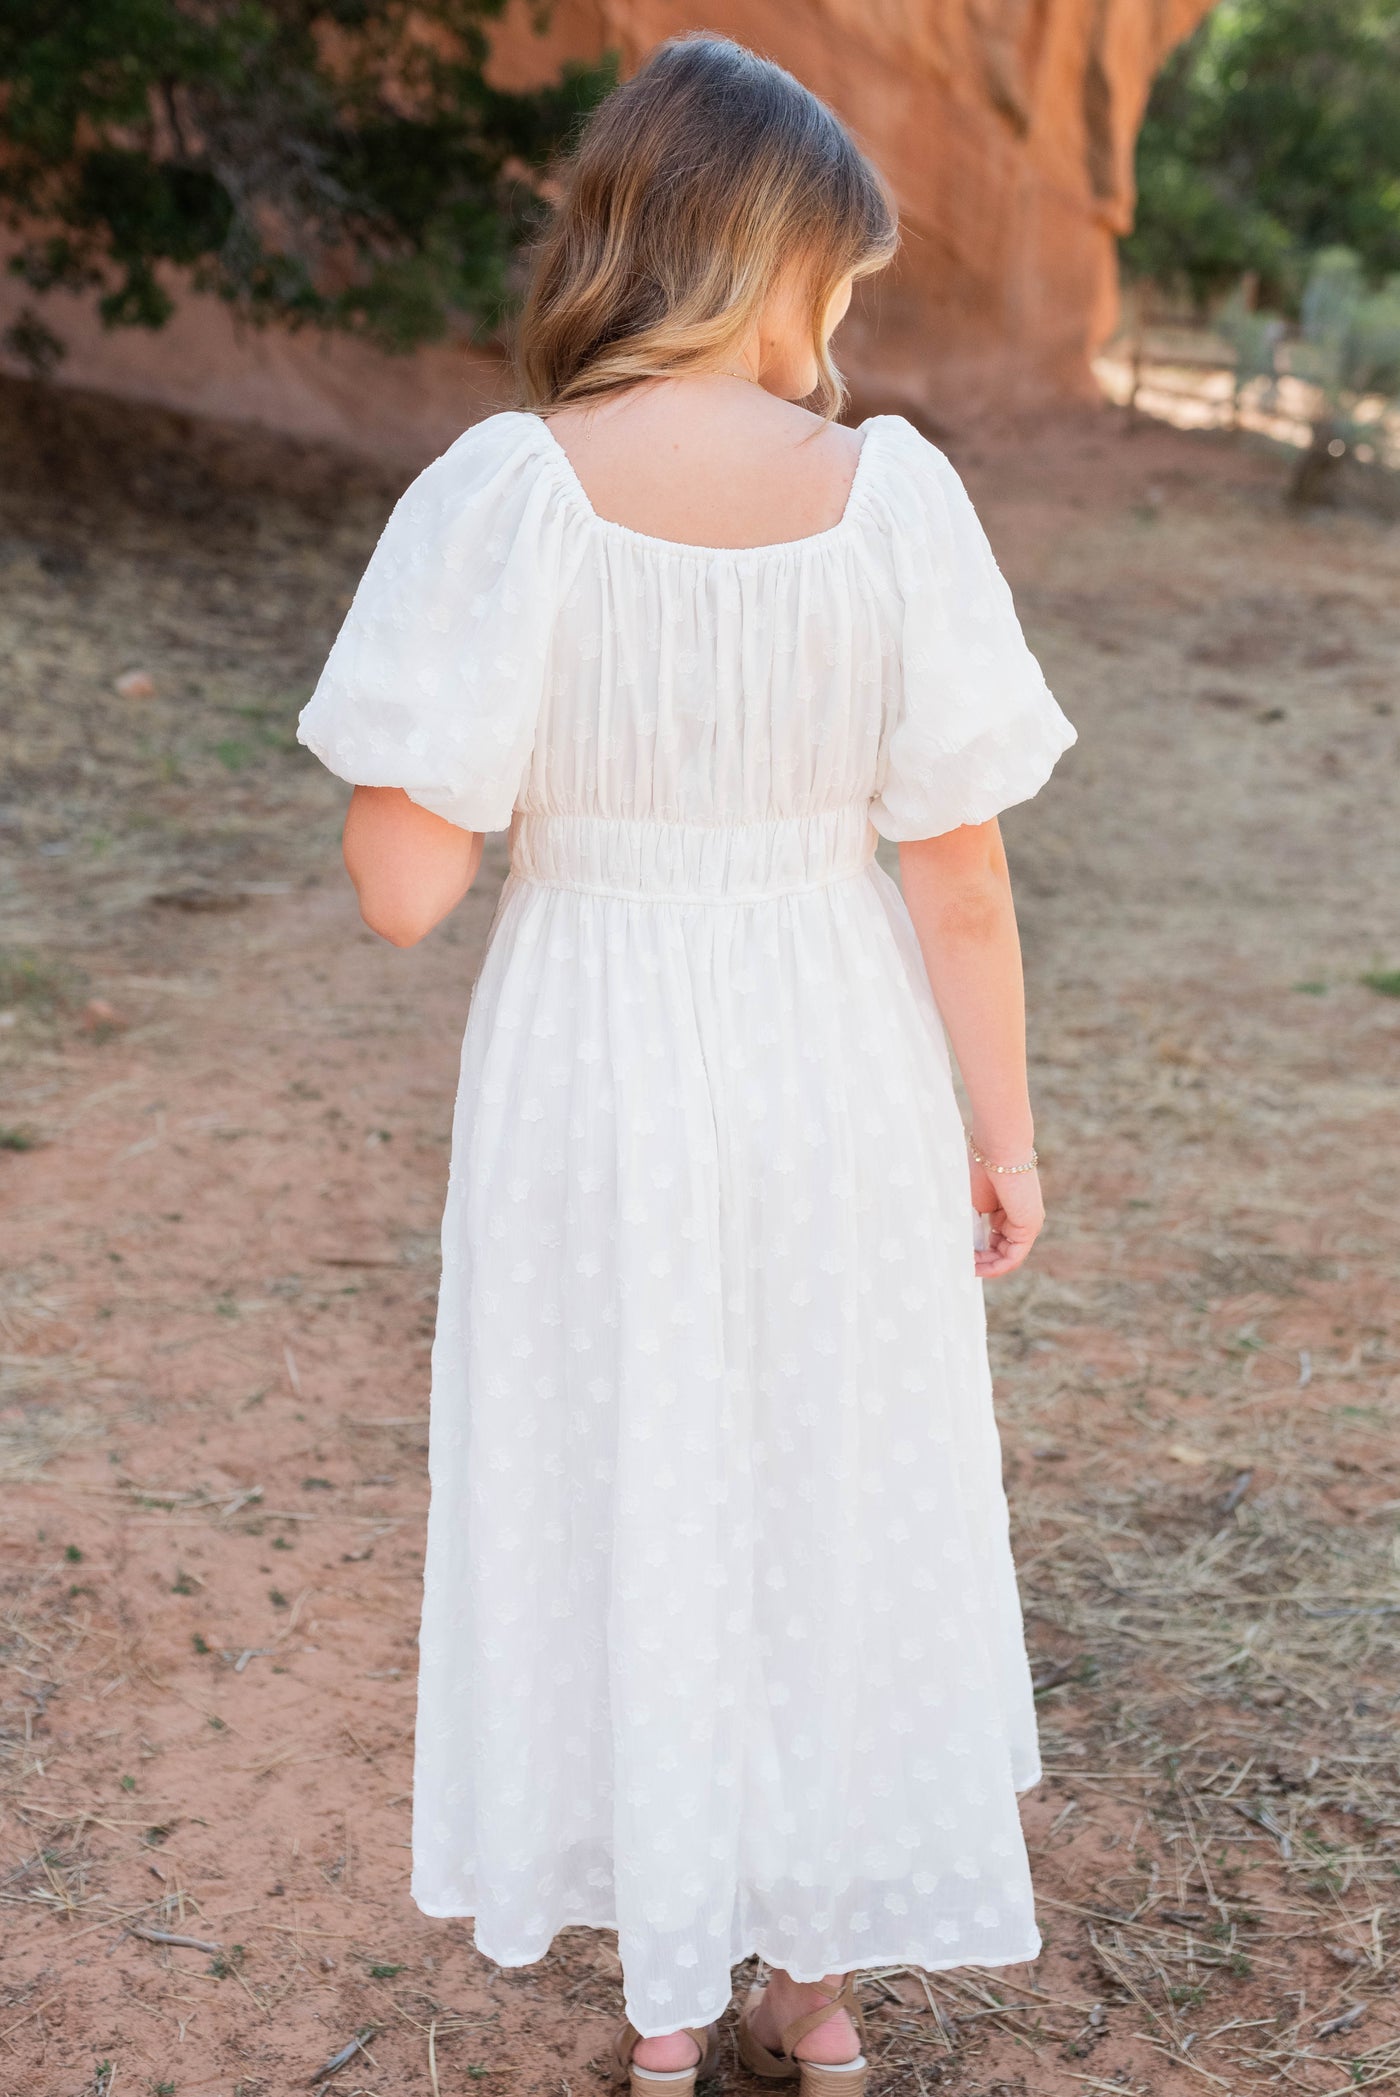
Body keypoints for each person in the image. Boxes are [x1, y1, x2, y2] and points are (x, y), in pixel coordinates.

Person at [297, 32, 1077, 2096]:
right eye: (838, 280)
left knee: (614, 1475)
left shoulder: (506, 491)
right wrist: (997, 1132)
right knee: (826, 1482)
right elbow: (964, 877)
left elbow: (402, 885)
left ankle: (661, 2001)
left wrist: (421, 734)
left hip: (594, 1064)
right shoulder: (893, 496)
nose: (839, 328)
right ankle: (810, 1988)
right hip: (835, 1053)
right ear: (766, 262)